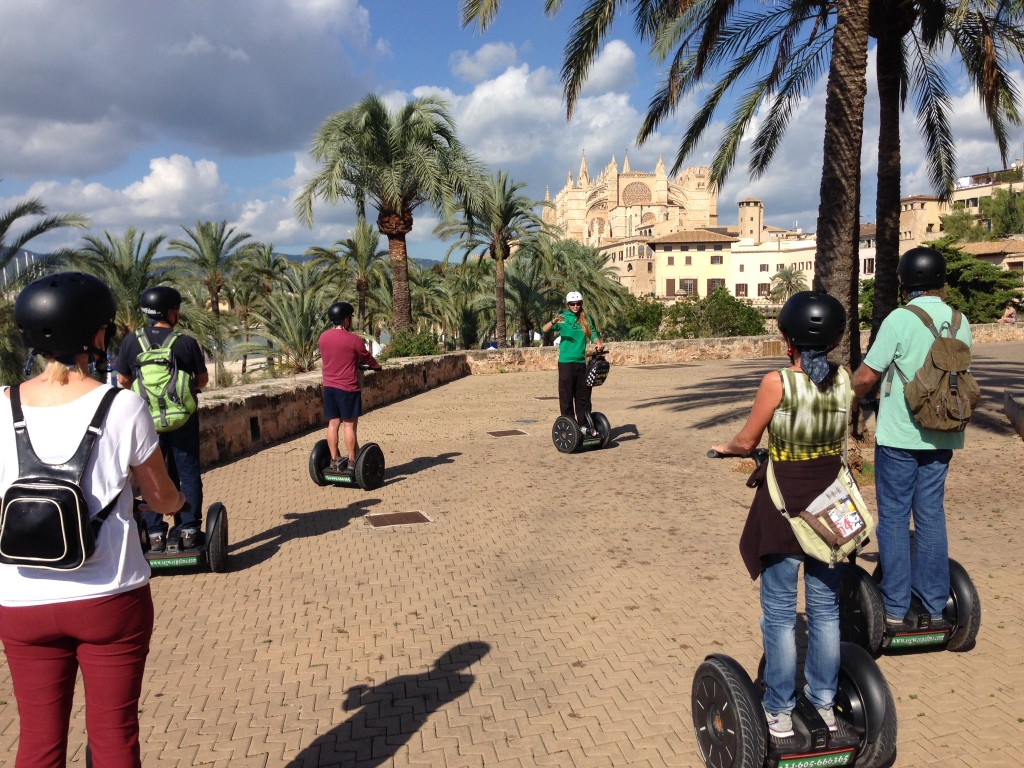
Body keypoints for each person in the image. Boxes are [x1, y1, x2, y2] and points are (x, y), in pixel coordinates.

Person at [0, 272, 185, 768]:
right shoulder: (122, 406)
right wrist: (172, 503)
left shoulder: (1, 405)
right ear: (97, 336)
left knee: (38, 743)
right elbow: (162, 498)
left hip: (21, 601)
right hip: (109, 594)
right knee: (114, 737)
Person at [710, 291, 852, 740]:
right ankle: (826, 705)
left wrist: (724, 447)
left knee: (779, 613)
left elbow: (747, 441)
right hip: (830, 506)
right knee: (827, 610)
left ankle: (778, 710)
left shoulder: (779, 382)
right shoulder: (844, 379)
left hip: (786, 506)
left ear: (788, 338)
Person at [852, 246, 971, 631]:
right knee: (931, 514)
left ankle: (895, 606)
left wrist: (844, 392)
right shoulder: (959, 321)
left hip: (902, 435)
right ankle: (936, 605)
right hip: (943, 435)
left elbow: (868, 376)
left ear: (905, 282)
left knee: (894, 517)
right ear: (941, 280)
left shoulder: (899, 320)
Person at [116, 286, 208, 552]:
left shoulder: (132, 342)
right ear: (169, 311)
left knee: (151, 473)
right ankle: (189, 529)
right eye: (176, 308)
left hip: (147, 422)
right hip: (183, 419)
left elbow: (123, 380)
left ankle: (155, 533)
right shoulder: (185, 342)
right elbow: (202, 380)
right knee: (188, 472)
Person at [318, 301, 382, 472]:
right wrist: (377, 367)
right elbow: (367, 358)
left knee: (333, 424)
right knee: (349, 425)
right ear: (345, 320)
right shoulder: (353, 340)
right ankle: (353, 461)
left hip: (329, 387)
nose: (351, 320)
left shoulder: (323, 337)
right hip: (348, 388)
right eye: (350, 317)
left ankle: (334, 460)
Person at [542, 291, 605, 430]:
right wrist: (553, 322)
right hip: (566, 362)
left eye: (578, 304)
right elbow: (544, 329)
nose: (575, 306)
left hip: (580, 362)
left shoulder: (586, 318)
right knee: (566, 396)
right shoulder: (563, 318)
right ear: (568, 305)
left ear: (581, 304)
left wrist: (598, 343)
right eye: (572, 304)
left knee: (582, 396)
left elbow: (593, 333)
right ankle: (569, 424)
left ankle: (583, 424)